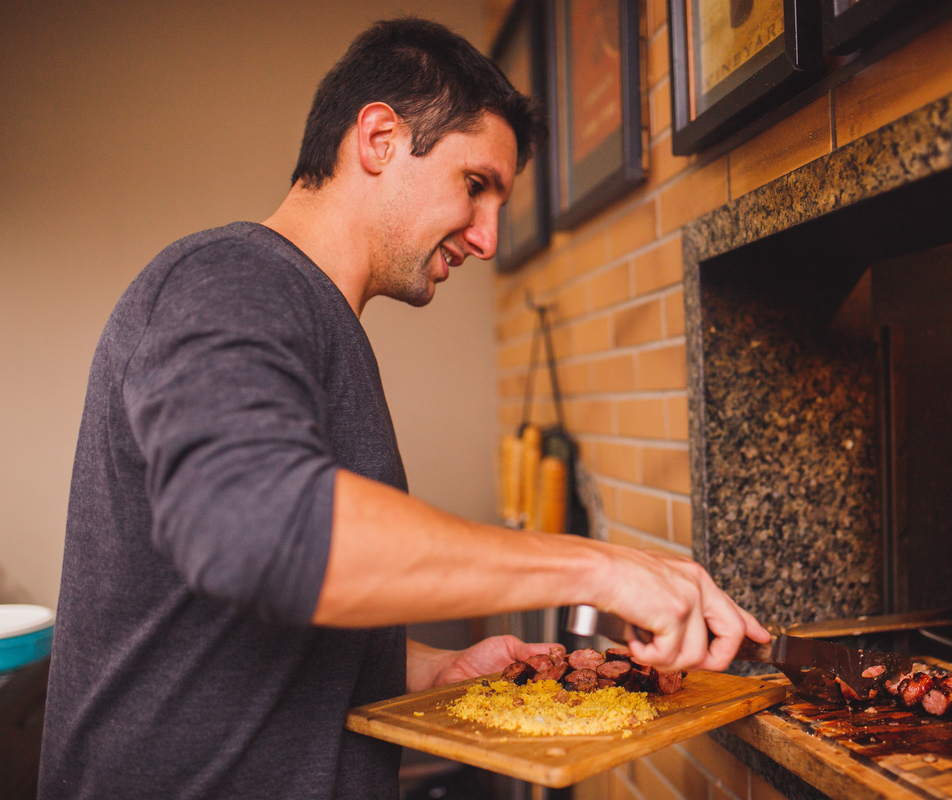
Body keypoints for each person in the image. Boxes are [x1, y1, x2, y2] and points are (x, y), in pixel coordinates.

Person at [38, 17, 769, 800]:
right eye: (476, 184)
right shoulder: (231, 279)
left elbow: (249, 628)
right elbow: (259, 529)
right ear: (380, 138)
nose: (488, 239)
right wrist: (598, 568)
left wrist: (429, 669)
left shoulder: (322, 321)